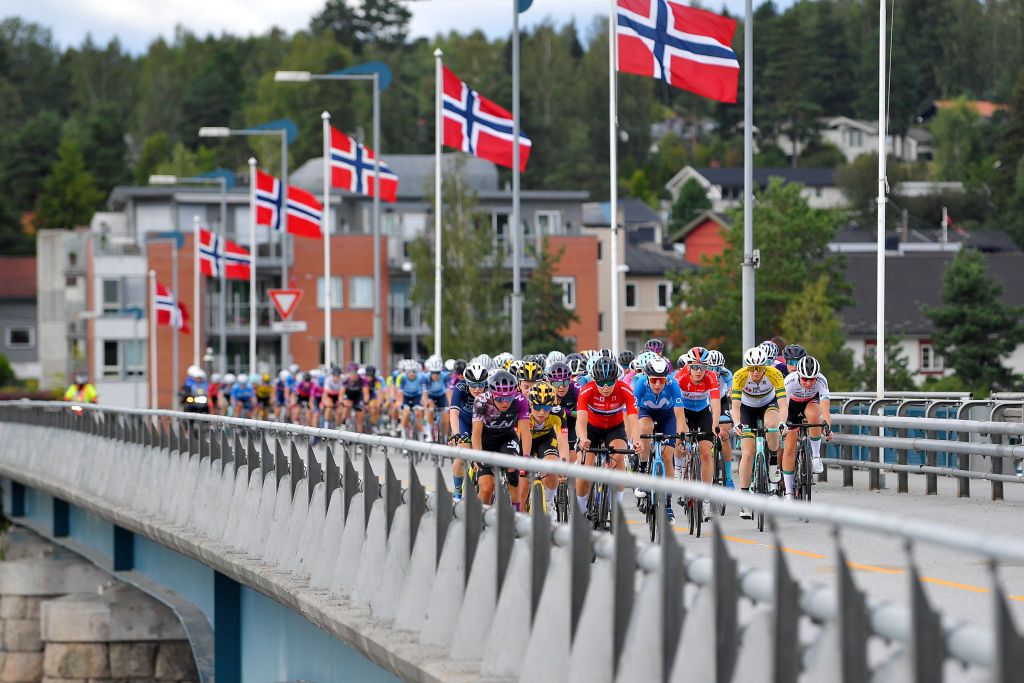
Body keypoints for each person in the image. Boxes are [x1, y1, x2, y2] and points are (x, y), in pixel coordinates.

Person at [575, 357, 642, 514]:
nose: (605, 388)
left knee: (618, 459)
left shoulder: (624, 390)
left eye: (610, 383)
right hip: (591, 429)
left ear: (616, 380)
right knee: (584, 470)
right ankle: (581, 509)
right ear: (594, 380)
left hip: (614, 428)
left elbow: (633, 419)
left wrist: (637, 441)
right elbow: (581, 421)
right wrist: (583, 438)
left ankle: (614, 508)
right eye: (601, 383)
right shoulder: (587, 391)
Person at [731, 346, 788, 520]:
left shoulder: (774, 374)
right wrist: (737, 424)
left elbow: (783, 404)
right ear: (747, 367)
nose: (755, 372)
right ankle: (745, 500)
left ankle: (772, 463)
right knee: (748, 452)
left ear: (765, 366)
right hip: (747, 409)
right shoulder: (739, 376)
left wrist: (782, 423)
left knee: (772, 424)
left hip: (767, 405)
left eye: (759, 368)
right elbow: (735, 406)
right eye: (752, 368)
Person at [632, 356, 684, 522]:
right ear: (648, 378)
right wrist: (635, 437)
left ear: (666, 378)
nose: (657, 384)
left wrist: (681, 435)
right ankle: (643, 471)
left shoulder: (672, 384)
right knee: (645, 429)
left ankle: (668, 504)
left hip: (667, 417)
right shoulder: (641, 383)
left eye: (661, 380)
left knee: (668, 457)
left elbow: (679, 413)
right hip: (646, 414)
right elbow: (632, 413)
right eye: (654, 380)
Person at [674, 347, 721, 522]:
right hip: (683, 411)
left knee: (706, 454)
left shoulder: (711, 377)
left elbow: (715, 403)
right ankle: (679, 471)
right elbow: (675, 407)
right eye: (695, 367)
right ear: (688, 366)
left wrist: (715, 425)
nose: (699, 371)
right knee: (680, 439)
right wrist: (681, 426)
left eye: (703, 367)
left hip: (702, 412)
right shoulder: (679, 377)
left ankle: (707, 500)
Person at [471, 370, 531, 507]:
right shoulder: (481, 401)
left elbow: (525, 432)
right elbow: (476, 433)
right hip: (486, 441)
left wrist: (526, 457)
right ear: (492, 394)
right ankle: (477, 520)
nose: (505, 403)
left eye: (509, 398)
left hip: (507, 438)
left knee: (513, 472)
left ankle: (515, 513)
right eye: (499, 399)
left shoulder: (521, 400)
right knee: (486, 489)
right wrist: (476, 456)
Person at [781, 355, 832, 500]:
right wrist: (783, 424)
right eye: (805, 379)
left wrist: (827, 426)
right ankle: (789, 493)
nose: (809, 383)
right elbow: (783, 406)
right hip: (791, 406)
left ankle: (816, 456)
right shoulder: (789, 380)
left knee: (814, 415)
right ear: (799, 376)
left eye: (812, 379)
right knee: (789, 448)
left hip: (811, 401)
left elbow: (826, 410)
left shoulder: (821, 380)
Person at [526, 381, 571, 520]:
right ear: (530, 404)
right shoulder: (522, 410)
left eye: (546, 407)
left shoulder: (558, 413)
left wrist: (563, 466)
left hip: (545, 440)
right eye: (538, 407)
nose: (541, 412)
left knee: (552, 467)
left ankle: (549, 502)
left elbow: (563, 442)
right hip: (525, 439)